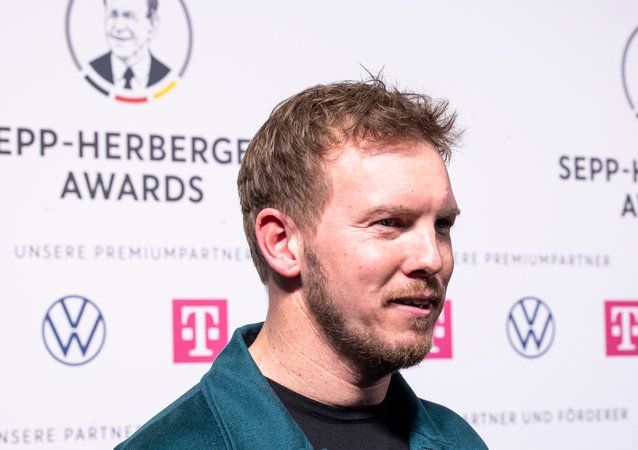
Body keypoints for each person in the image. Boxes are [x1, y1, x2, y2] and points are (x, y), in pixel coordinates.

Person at [116, 77, 488, 449]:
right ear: (282, 244)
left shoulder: (458, 440)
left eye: (442, 225)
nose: (432, 257)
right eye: (389, 223)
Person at [89, 0, 170, 90]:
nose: (119, 27)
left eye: (129, 16)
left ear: (152, 25)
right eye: (113, 15)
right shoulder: (91, 72)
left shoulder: (167, 77)